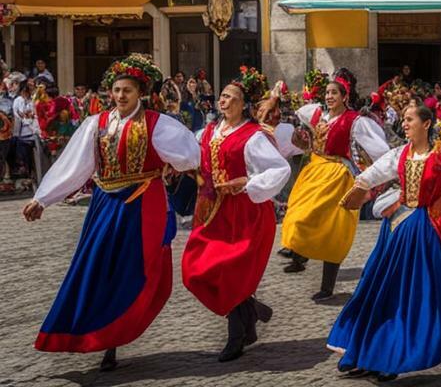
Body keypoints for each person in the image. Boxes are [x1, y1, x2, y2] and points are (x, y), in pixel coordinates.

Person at [23, 54, 199, 372]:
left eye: (127, 90)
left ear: (140, 93)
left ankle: (113, 339)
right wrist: (43, 199)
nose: (120, 96)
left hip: (143, 204)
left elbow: (190, 155)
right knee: (95, 266)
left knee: (130, 270)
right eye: (116, 90)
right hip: (105, 204)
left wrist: (175, 164)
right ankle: (92, 332)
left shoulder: (157, 125)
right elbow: (75, 166)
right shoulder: (97, 124)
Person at [328, 104, 441, 381]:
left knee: (419, 294)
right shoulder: (401, 153)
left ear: (426, 123)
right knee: (381, 289)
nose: (405, 123)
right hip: (398, 229)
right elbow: (377, 171)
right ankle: (369, 354)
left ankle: (395, 357)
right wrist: (360, 186)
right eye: (404, 119)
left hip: (432, 230)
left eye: (410, 119)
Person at [181, 68, 291, 362]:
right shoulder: (207, 131)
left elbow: (280, 169)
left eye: (230, 97)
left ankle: (235, 338)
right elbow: (189, 154)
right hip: (211, 212)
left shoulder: (252, 136)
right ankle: (252, 312)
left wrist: (248, 183)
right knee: (195, 270)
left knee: (232, 272)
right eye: (222, 96)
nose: (224, 101)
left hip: (245, 213)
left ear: (244, 105)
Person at [282, 68, 390, 300]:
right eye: (327, 92)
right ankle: (298, 252)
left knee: (332, 230)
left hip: (337, 176)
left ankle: (326, 285)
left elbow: (381, 150)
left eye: (334, 93)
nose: (329, 96)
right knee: (299, 214)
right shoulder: (318, 116)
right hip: (314, 172)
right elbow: (297, 117)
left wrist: (371, 175)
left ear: (345, 97)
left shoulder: (356, 121)